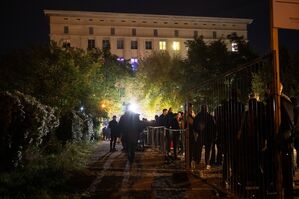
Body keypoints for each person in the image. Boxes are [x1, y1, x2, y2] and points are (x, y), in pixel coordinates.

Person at [193, 104, 216, 169]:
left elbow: (194, 126)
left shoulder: (198, 116)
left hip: (201, 135)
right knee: (207, 151)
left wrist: (198, 130)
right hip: (207, 136)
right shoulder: (210, 116)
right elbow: (214, 127)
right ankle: (206, 163)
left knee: (199, 150)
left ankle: (198, 162)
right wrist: (213, 136)